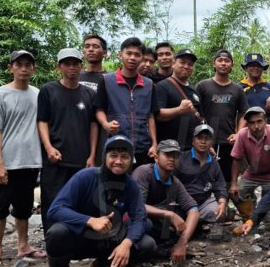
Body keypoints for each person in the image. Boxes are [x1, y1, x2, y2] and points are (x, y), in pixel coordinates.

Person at [45, 136, 153, 267]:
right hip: (79, 239)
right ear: (104, 157)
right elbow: (55, 210)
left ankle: (104, 265)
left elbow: (139, 217)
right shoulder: (85, 177)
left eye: (124, 157)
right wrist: (89, 220)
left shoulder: (130, 185)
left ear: (131, 160)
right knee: (57, 232)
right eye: (113, 155)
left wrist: (127, 243)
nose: (118, 161)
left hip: (109, 240)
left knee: (147, 243)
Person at [0, 50, 45, 267]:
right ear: (11, 68)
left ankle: (23, 245)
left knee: (24, 207)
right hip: (6, 162)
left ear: (33, 69)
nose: (24, 68)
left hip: (30, 161)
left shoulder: (38, 94)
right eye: (19, 64)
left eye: (28, 64)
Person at [37, 48, 98, 234]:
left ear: (81, 66)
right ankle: (52, 241)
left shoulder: (89, 94)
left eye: (75, 64)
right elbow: (42, 121)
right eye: (66, 64)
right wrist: (48, 147)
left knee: (81, 201)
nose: (71, 67)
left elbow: (93, 125)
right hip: (55, 159)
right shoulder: (48, 90)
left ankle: (77, 241)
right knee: (52, 201)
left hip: (81, 159)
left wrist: (92, 155)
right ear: (59, 67)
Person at [131, 140, 200, 265]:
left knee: (184, 220)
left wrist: (182, 242)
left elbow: (193, 209)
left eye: (175, 156)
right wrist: (169, 215)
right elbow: (137, 206)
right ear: (156, 158)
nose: (172, 159)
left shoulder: (175, 182)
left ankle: (163, 248)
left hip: (157, 224)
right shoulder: (144, 172)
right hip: (133, 223)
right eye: (168, 155)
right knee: (148, 222)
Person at [95, 37, 159, 167]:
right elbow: (99, 109)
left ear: (141, 58)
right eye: (128, 53)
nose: (132, 58)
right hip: (115, 145)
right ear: (120, 55)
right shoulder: (107, 80)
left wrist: (154, 143)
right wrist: (106, 124)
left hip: (142, 147)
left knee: (139, 184)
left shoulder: (149, 84)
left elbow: (151, 116)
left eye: (137, 54)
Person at [230, 106, 270, 236]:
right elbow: (236, 159)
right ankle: (249, 220)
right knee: (236, 193)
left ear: (265, 121)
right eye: (252, 123)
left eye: (259, 121)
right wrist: (233, 183)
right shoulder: (243, 134)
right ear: (247, 124)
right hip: (252, 173)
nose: (256, 126)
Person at [197, 49, 249, 186]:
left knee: (225, 179)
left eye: (227, 61)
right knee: (202, 178)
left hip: (228, 141)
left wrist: (238, 133)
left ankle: (223, 205)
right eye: (220, 60)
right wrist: (203, 136)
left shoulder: (237, 89)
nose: (223, 63)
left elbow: (244, 113)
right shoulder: (203, 86)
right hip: (205, 140)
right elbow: (196, 113)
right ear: (213, 64)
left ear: (232, 65)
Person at [176, 124, 228, 224]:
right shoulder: (181, 159)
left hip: (203, 203)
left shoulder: (214, 164)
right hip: (182, 203)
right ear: (193, 141)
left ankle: (196, 223)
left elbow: (221, 187)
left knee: (219, 213)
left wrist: (222, 203)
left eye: (207, 139)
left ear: (211, 142)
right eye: (199, 138)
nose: (203, 142)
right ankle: (195, 224)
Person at [155, 49, 203, 150]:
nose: (186, 66)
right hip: (170, 148)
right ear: (173, 63)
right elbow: (157, 114)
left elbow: (200, 117)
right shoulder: (162, 86)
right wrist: (179, 110)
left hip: (193, 148)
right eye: (182, 62)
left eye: (190, 64)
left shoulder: (194, 89)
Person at [78, 34, 109, 165]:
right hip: (76, 133)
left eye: (95, 47)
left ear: (105, 53)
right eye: (87, 46)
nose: (91, 49)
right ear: (83, 52)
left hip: (101, 135)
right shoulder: (74, 77)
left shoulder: (109, 79)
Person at [240, 52, 270, 127]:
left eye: (258, 65)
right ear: (246, 68)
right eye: (252, 65)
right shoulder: (239, 87)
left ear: (262, 68)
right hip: (246, 130)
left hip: (267, 129)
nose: (255, 68)